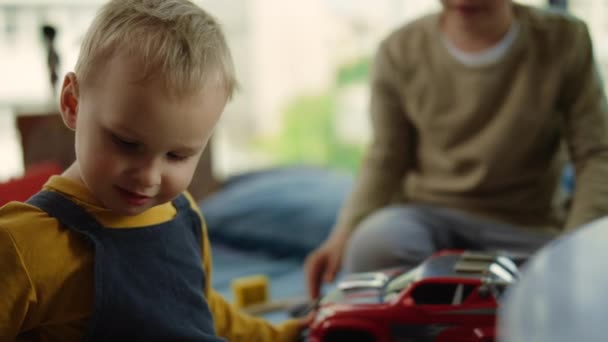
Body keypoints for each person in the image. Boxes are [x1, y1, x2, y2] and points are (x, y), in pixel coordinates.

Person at [0, 0, 305, 340]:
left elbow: (204, 312)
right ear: (73, 103)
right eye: (127, 144)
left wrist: (290, 335)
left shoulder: (183, 213)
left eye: (177, 156)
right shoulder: (22, 245)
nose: (148, 176)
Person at [306, 0, 608, 300]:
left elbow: (596, 154)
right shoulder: (399, 49)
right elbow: (386, 157)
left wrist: (575, 246)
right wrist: (343, 234)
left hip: (528, 226)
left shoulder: (565, 39)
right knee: (373, 243)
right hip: (430, 218)